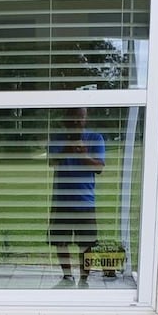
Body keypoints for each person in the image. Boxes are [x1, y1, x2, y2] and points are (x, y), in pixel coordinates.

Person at [48, 108, 105, 288]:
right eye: (73, 118)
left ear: (85, 119)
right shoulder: (56, 139)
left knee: (87, 244)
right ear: (65, 119)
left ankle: (84, 280)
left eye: (80, 118)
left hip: (85, 200)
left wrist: (82, 155)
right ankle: (67, 277)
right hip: (61, 200)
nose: (76, 122)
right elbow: (51, 162)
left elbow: (99, 167)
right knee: (60, 240)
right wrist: (67, 149)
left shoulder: (95, 139)